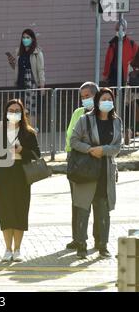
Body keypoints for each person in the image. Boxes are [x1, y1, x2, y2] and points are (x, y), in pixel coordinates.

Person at [70, 88, 122, 259]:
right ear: (97, 101)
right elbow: (74, 141)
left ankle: (102, 245)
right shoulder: (85, 120)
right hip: (86, 169)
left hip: (105, 172)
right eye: (104, 99)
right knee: (83, 209)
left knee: (103, 210)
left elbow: (117, 148)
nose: (107, 101)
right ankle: (81, 245)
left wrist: (103, 149)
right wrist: (90, 149)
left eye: (110, 99)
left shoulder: (116, 121)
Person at [0, 99, 40, 262]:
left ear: (23, 113)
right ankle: (7, 249)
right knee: (5, 211)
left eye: (17, 110)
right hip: (4, 175)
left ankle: (17, 249)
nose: (13, 113)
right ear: (5, 112)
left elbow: (36, 155)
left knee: (20, 211)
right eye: (10, 110)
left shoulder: (29, 132)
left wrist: (21, 150)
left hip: (21, 175)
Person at [65, 82, 100, 251]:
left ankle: (99, 239)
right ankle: (78, 238)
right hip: (78, 162)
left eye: (88, 96)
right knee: (77, 202)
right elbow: (70, 136)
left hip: (97, 162)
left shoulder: (103, 115)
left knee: (98, 202)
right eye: (83, 97)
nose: (85, 100)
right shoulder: (78, 113)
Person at [7, 29, 45, 122]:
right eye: (23, 37)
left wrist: (42, 86)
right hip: (21, 82)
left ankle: (31, 130)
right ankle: (21, 132)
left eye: (27, 37)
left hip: (32, 83)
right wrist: (12, 63)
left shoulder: (37, 53)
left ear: (32, 39)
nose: (25, 39)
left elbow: (40, 70)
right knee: (19, 107)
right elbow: (17, 68)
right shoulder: (19, 52)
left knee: (31, 109)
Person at [103, 20, 138, 87]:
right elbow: (108, 61)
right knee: (115, 95)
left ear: (125, 29)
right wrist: (105, 74)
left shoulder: (132, 44)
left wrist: (135, 72)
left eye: (122, 29)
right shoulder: (112, 44)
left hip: (127, 77)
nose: (119, 31)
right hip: (113, 76)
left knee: (125, 95)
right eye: (117, 29)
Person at [124, 49, 139, 144]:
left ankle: (129, 131)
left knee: (131, 115)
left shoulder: (131, 64)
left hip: (132, 95)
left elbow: (127, 79)